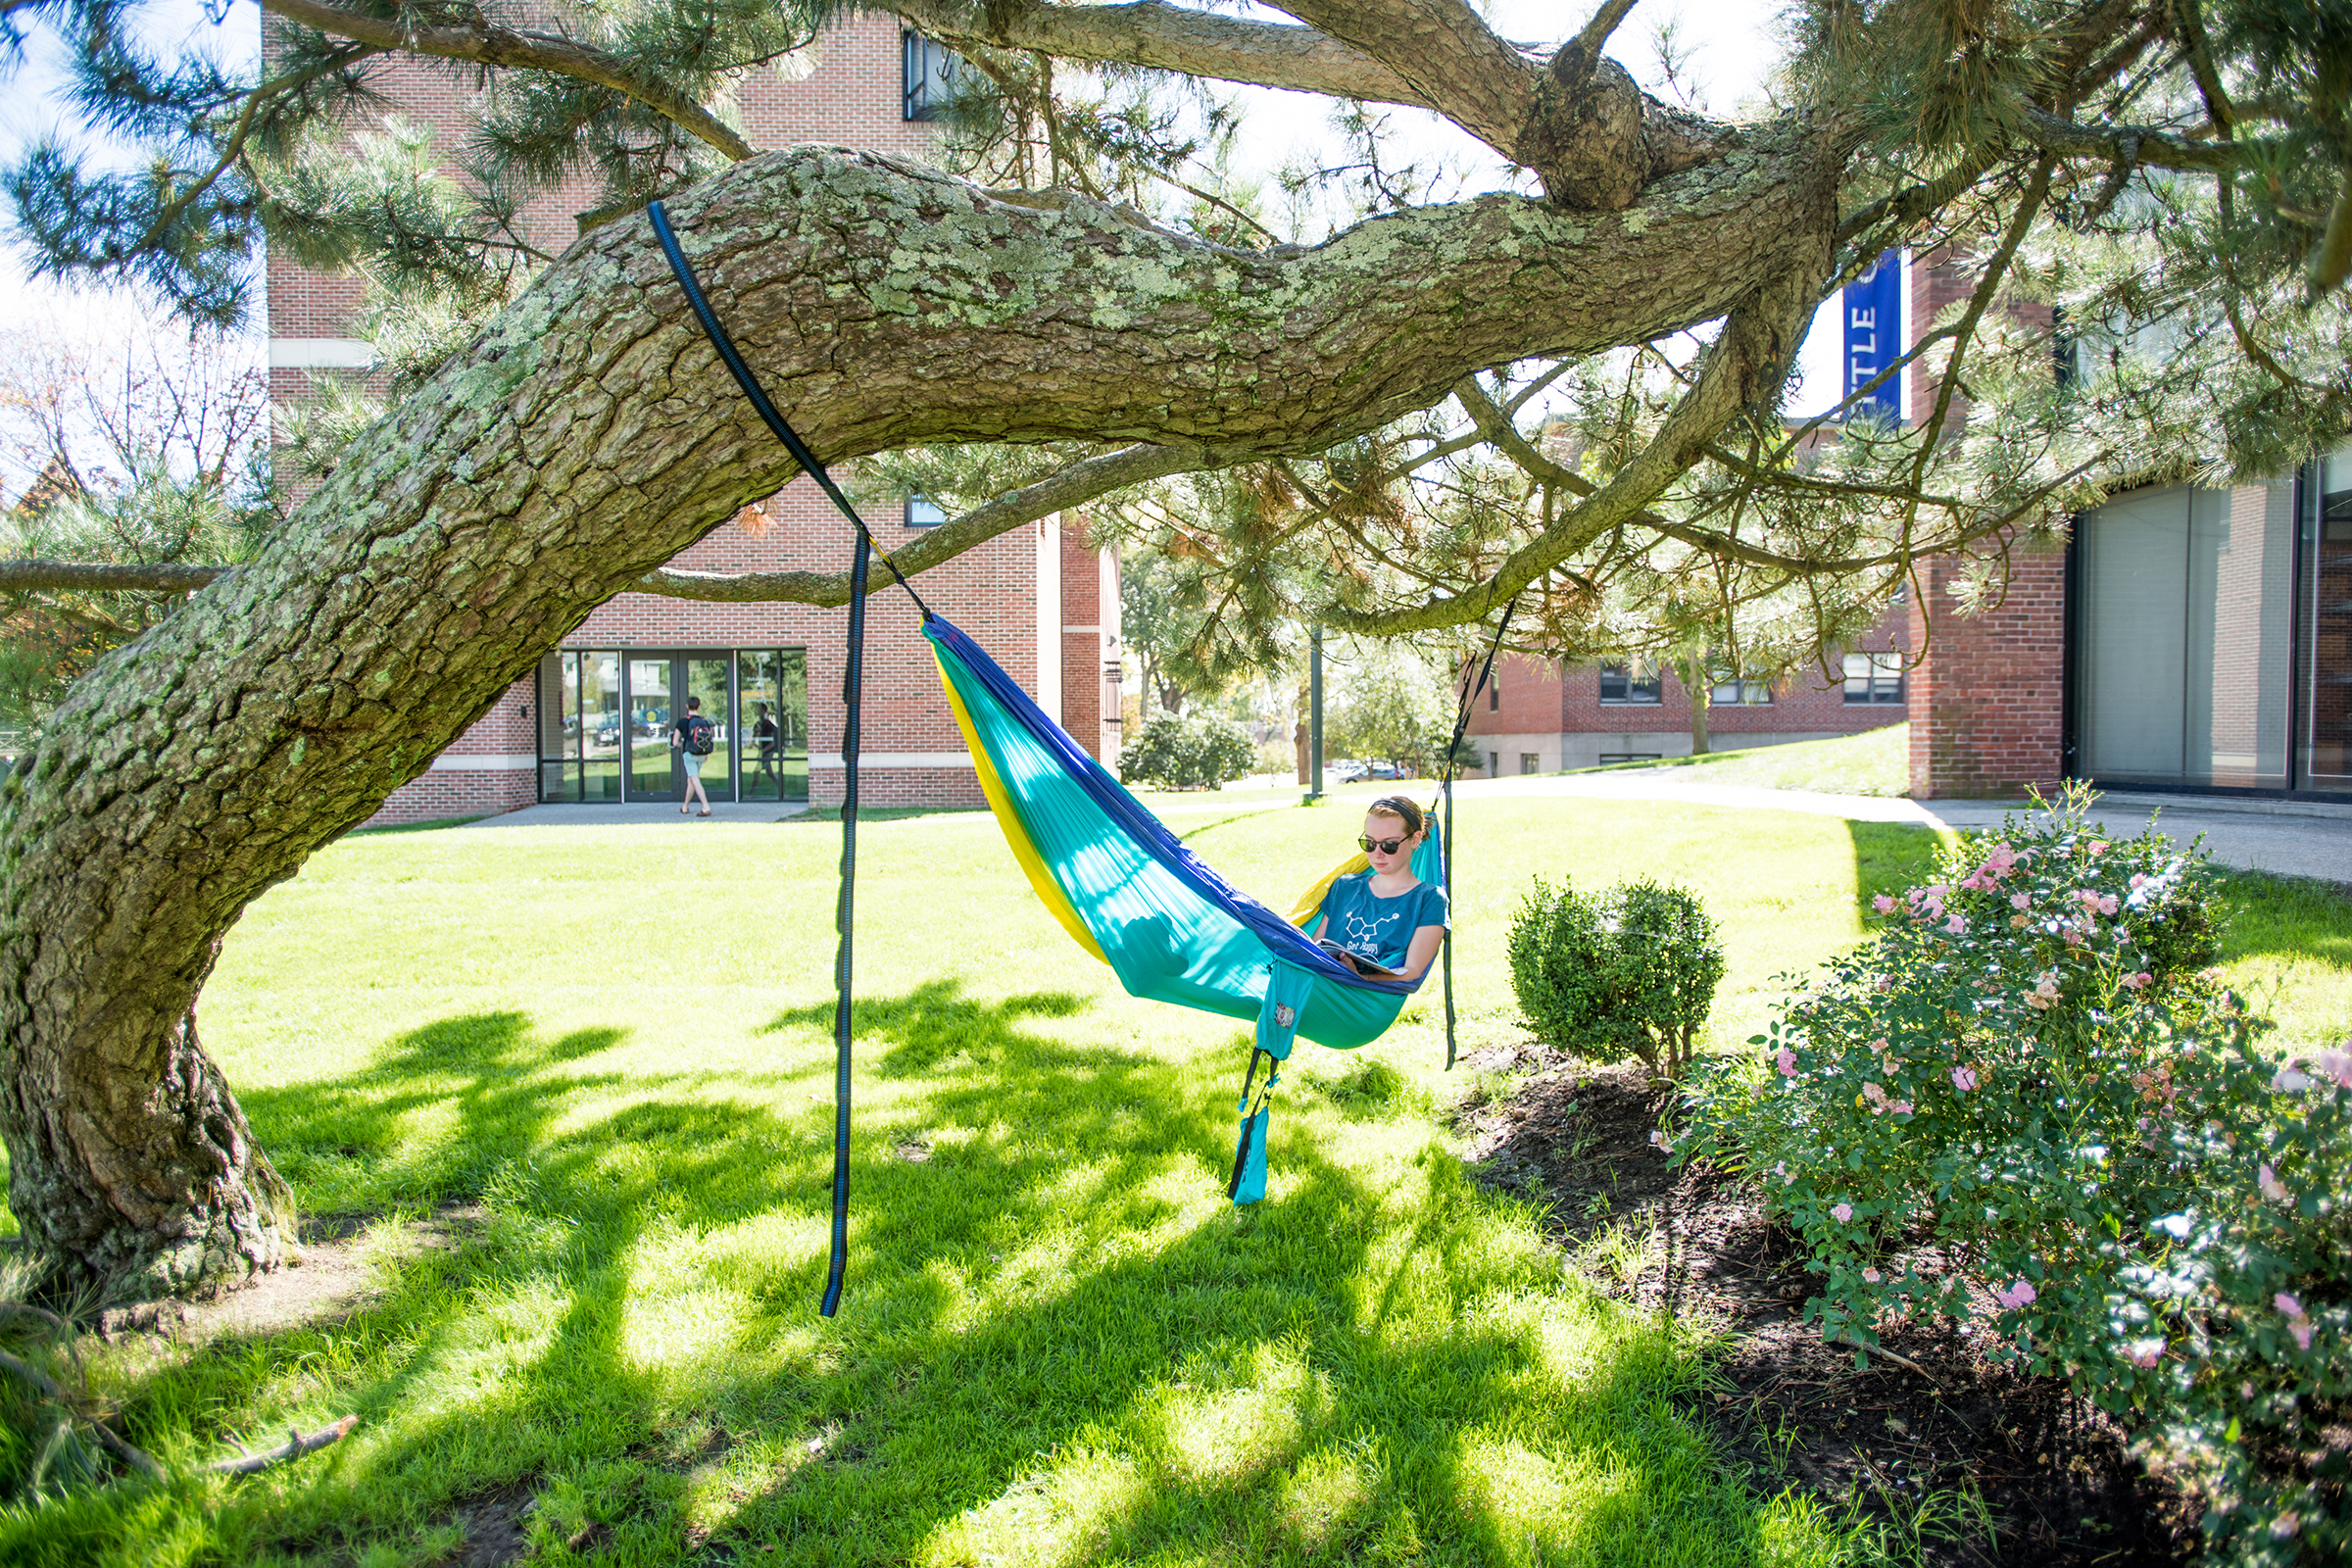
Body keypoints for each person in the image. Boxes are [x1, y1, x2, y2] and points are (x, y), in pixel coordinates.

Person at [1309, 795, 1447, 980]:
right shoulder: (1345, 887)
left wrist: (1357, 977)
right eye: (1370, 843)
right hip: (1319, 987)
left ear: (1415, 840)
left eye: (1389, 845)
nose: (1377, 854)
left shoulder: (1428, 899)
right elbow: (1314, 949)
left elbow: (1412, 972)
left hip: (1368, 998)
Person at [670, 696, 714, 817]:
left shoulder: (682, 721)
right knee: (691, 780)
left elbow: (675, 742)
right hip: (701, 754)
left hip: (689, 753)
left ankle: (705, 806)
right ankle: (685, 806)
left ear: (687, 706)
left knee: (694, 779)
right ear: (698, 707)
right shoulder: (704, 721)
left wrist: (683, 745)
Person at [753, 701, 779, 793]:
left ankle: (749, 795)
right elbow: (753, 740)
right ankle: (782, 793)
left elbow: (772, 742)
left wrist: (764, 750)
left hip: (767, 752)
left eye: (759, 710)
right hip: (764, 751)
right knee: (770, 773)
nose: (757, 712)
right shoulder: (758, 724)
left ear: (764, 711)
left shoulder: (767, 725)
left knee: (756, 772)